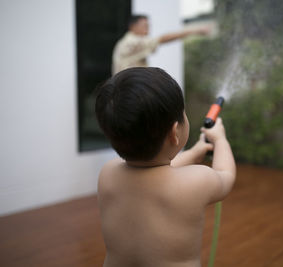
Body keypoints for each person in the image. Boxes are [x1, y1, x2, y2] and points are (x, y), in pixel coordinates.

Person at [95, 67, 236, 267]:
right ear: (174, 133)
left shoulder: (107, 173)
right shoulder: (198, 180)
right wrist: (220, 140)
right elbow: (225, 175)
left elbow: (155, 172)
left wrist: (195, 152)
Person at [111, 15, 210, 75]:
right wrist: (195, 31)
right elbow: (161, 39)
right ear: (133, 26)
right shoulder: (131, 41)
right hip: (127, 92)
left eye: (149, 26)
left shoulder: (126, 41)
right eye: (145, 26)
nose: (147, 29)